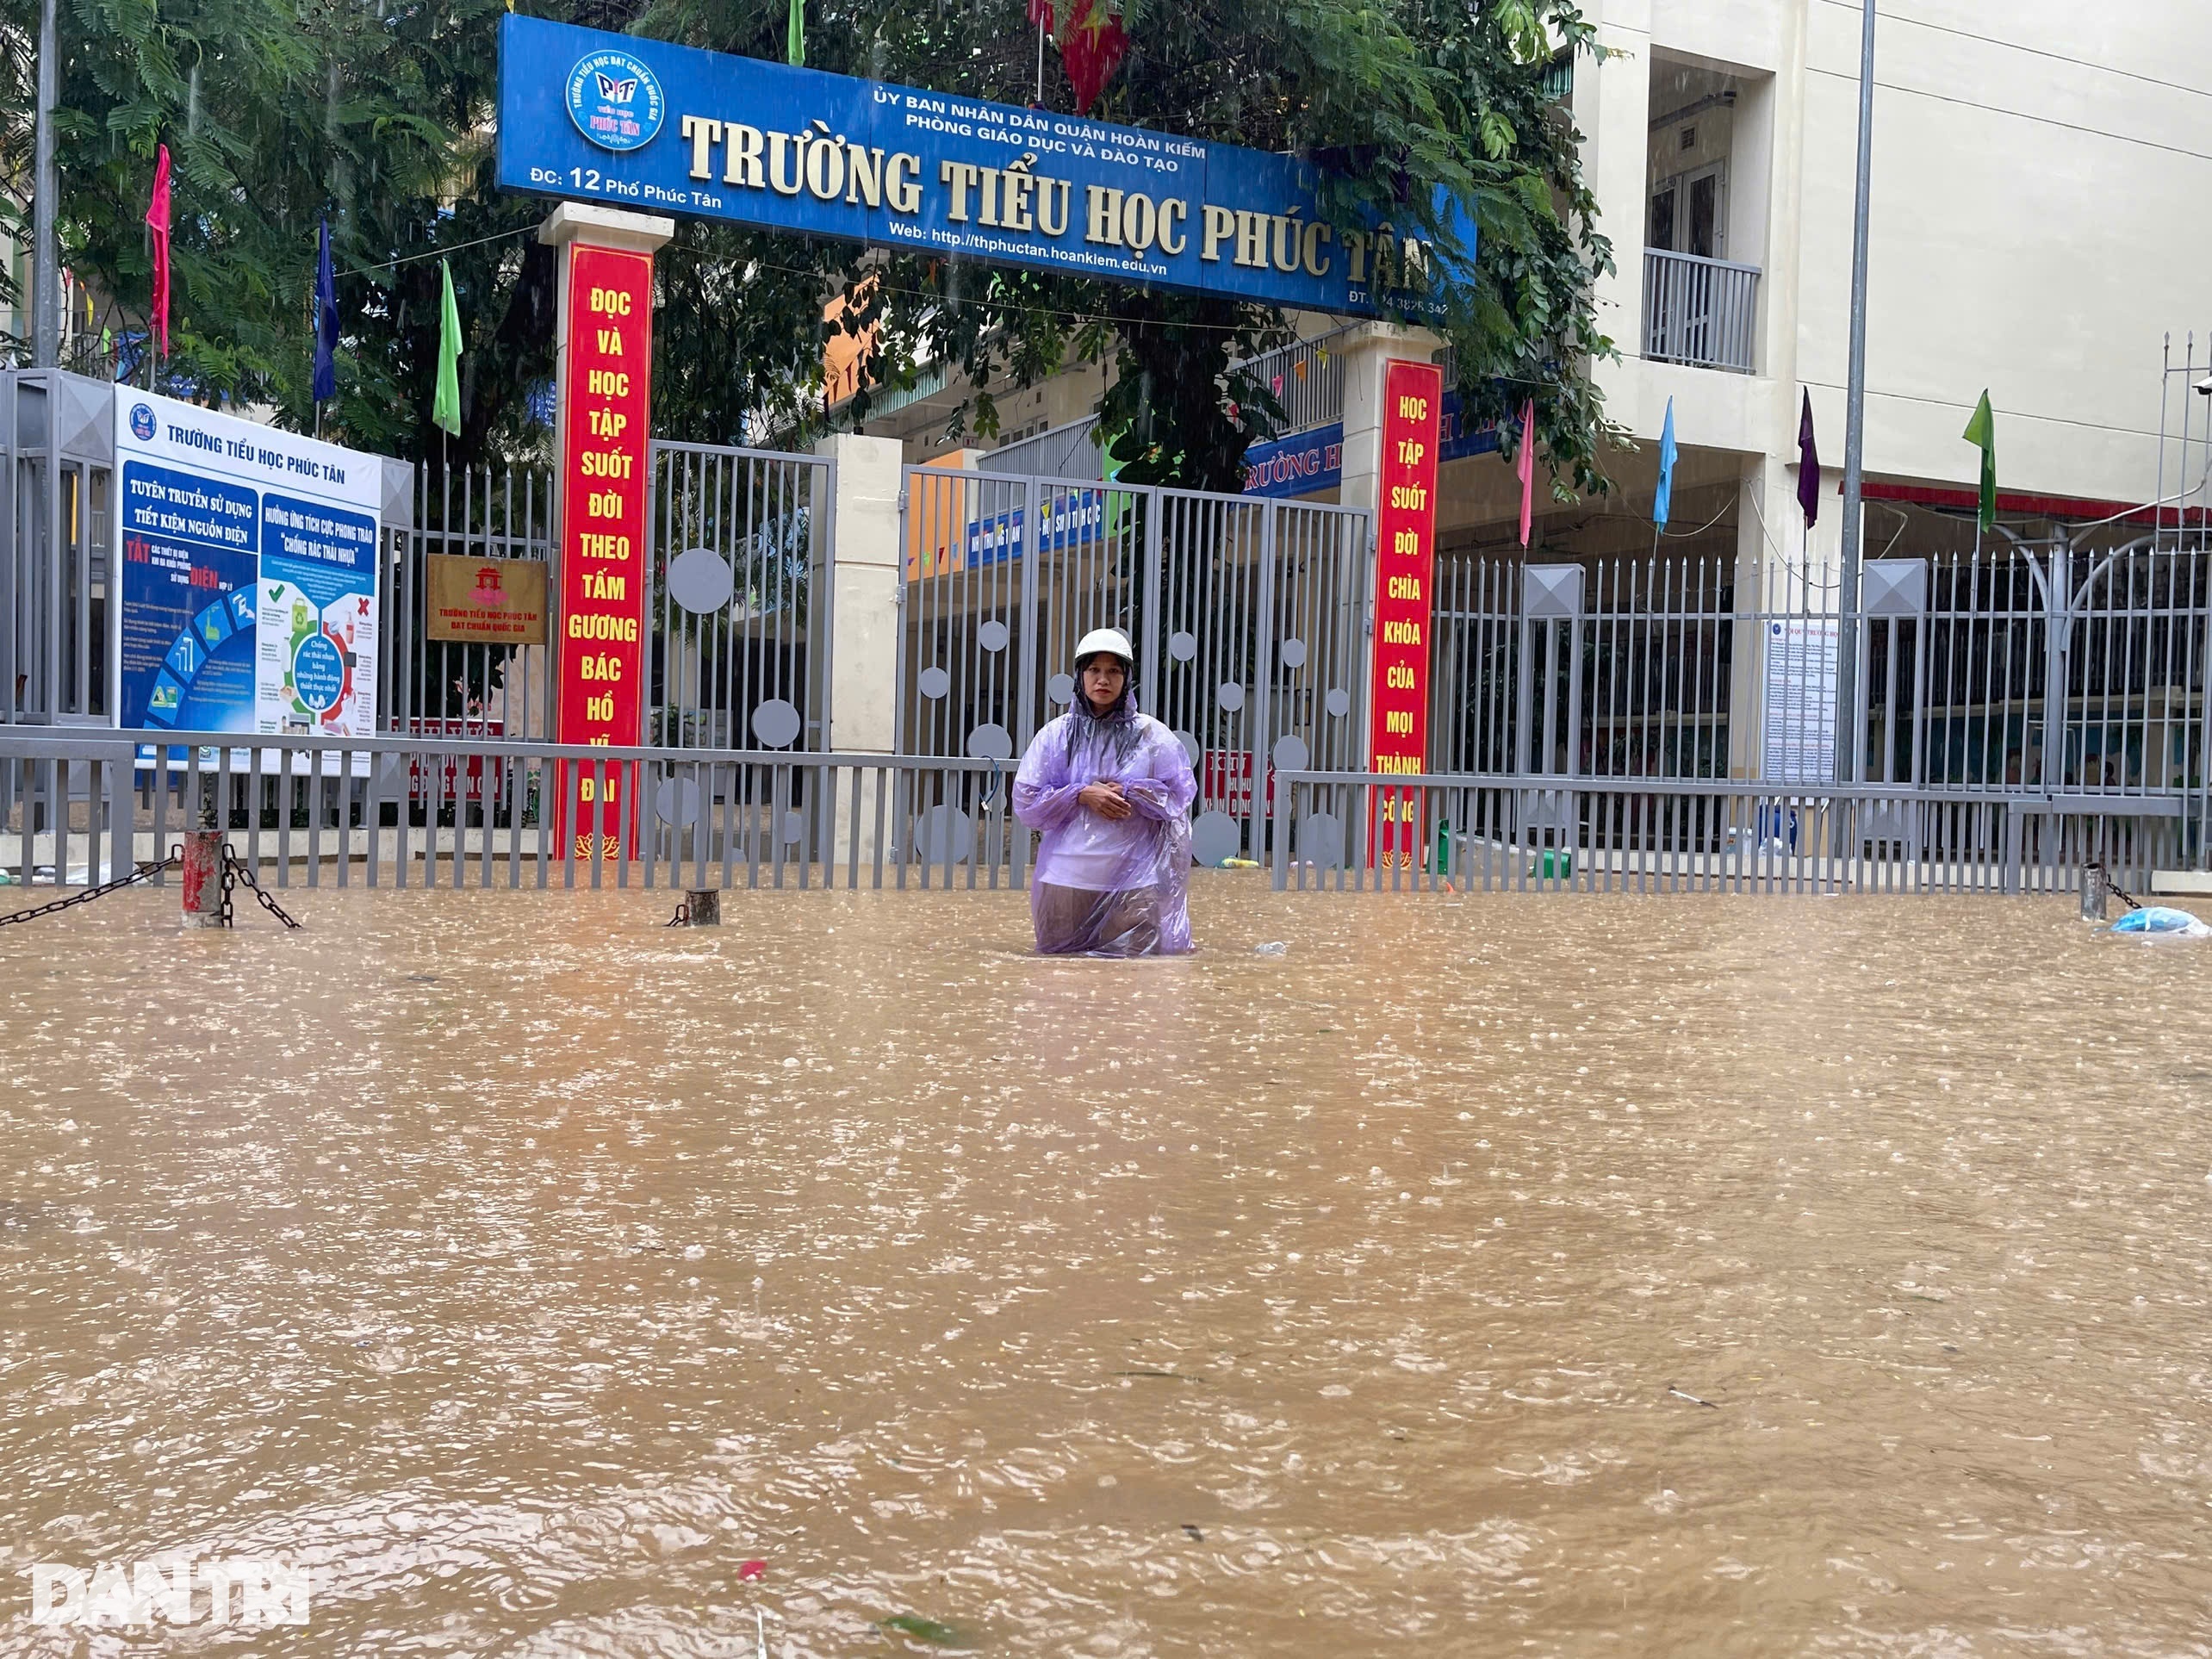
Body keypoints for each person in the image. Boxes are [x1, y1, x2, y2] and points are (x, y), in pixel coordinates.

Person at [1013, 627, 1197, 956]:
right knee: (1060, 983)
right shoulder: (1056, 736)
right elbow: (1027, 800)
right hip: (1067, 879)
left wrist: (1133, 791)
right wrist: (1080, 794)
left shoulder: (1152, 736)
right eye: (1094, 670)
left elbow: (1179, 795)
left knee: (1136, 984)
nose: (1103, 680)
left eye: (1113, 671)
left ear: (1126, 678)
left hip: (1135, 883)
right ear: (1080, 676)